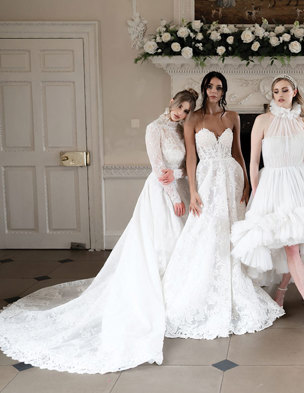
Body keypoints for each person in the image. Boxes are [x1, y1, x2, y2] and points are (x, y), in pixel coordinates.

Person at [0, 90, 198, 373]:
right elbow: (157, 167)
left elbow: (182, 167)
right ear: (171, 103)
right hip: (161, 195)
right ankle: (155, 300)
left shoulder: (181, 130)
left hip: (179, 188)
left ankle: (177, 299)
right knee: (160, 245)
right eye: (179, 107)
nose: (181, 113)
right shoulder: (154, 129)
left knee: (181, 246)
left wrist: (181, 184)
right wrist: (175, 197)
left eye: (187, 110)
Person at [163, 71, 284, 339]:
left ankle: (236, 282)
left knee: (233, 231)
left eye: (218, 87)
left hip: (232, 179)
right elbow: (191, 159)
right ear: (204, 89)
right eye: (210, 86)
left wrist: (247, 184)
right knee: (206, 230)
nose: (213, 91)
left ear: (224, 90)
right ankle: (205, 285)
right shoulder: (193, 118)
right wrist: (193, 191)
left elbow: (238, 152)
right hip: (207, 181)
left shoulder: (232, 117)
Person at [231, 74, 304, 320]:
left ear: (294, 91)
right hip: (272, 185)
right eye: (276, 91)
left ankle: (283, 291)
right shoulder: (262, 121)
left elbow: (303, 159)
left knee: (294, 246)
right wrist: (256, 190)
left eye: (284, 90)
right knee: (289, 247)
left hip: (300, 184)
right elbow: (254, 160)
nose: (280, 95)